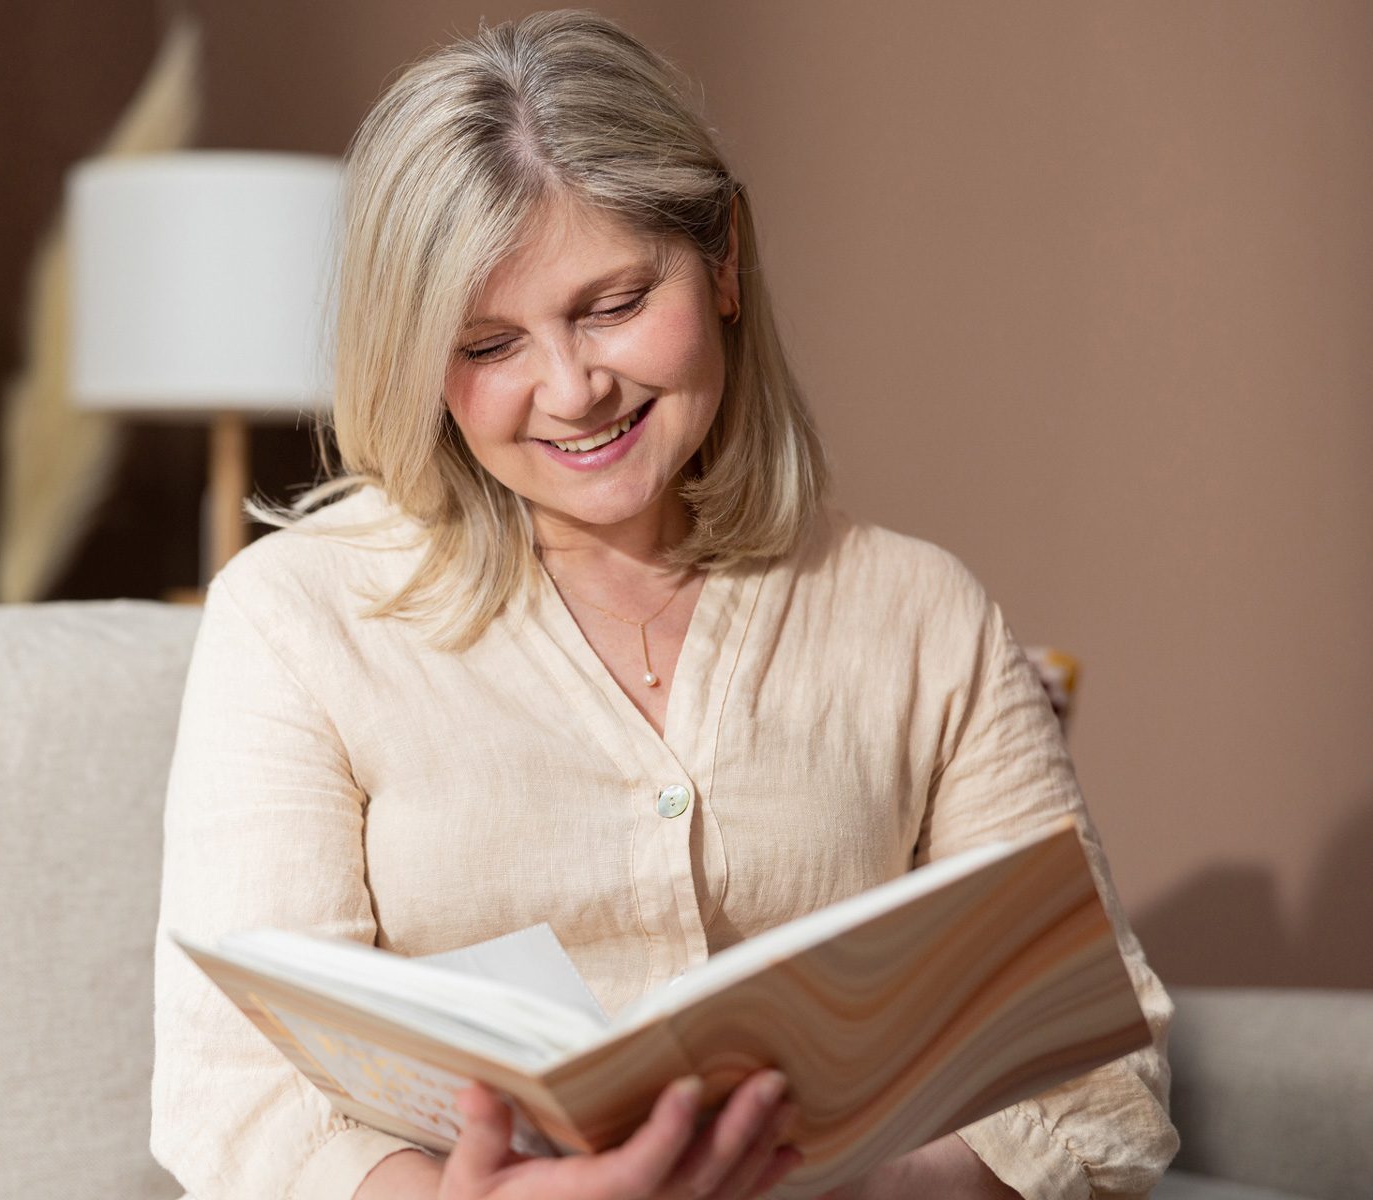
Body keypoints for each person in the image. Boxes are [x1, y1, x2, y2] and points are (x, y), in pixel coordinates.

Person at [150, 11, 1177, 1200]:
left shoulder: (919, 615)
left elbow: (1105, 1082)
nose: (573, 389)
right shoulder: (296, 619)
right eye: (488, 344)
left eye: (613, 303)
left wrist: (809, 1189)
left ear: (724, 257)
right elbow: (234, 1094)